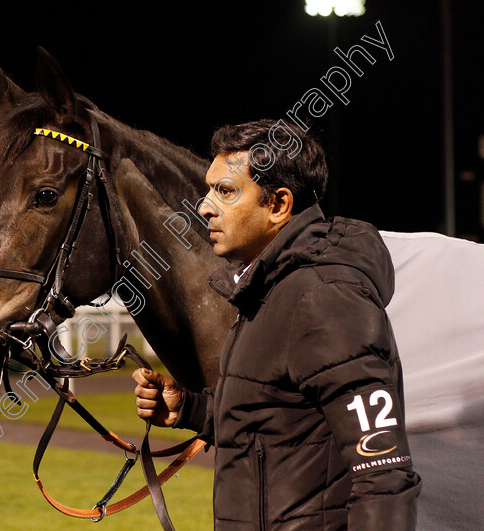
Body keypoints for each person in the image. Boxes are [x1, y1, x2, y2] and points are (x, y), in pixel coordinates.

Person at [133, 119, 421, 530]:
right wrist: (191, 409)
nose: (204, 206)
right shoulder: (266, 290)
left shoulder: (323, 297)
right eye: (209, 189)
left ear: (278, 205)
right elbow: (277, 419)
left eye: (226, 191)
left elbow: (384, 475)